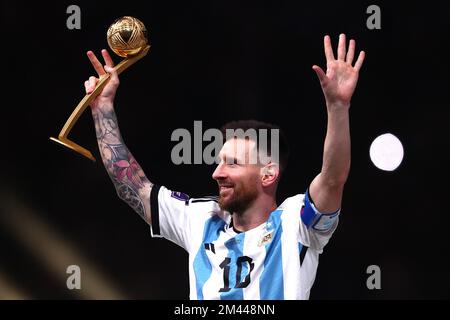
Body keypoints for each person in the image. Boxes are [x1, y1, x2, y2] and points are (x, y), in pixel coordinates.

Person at [84, 33, 365, 299]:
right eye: (219, 162)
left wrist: (338, 108)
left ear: (268, 174)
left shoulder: (296, 224)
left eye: (232, 163)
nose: (217, 173)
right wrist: (103, 108)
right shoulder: (202, 218)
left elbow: (332, 179)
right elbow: (132, 186)